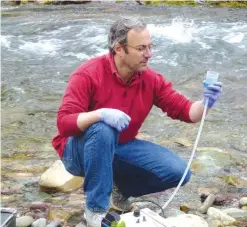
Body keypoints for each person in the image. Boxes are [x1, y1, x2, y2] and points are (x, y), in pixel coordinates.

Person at [52, 17, 222, 227]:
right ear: (119, 49)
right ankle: (95, 211)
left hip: (120, 147)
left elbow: (186, 111)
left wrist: (205, 102)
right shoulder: (88, 74)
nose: (149, 54)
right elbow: (64, 124)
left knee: (179, 172)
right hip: (77, 152)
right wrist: (100, 114)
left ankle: (119, 191)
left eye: (150, 47)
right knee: (103, 129)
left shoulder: (150, 79)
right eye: (141, 48)